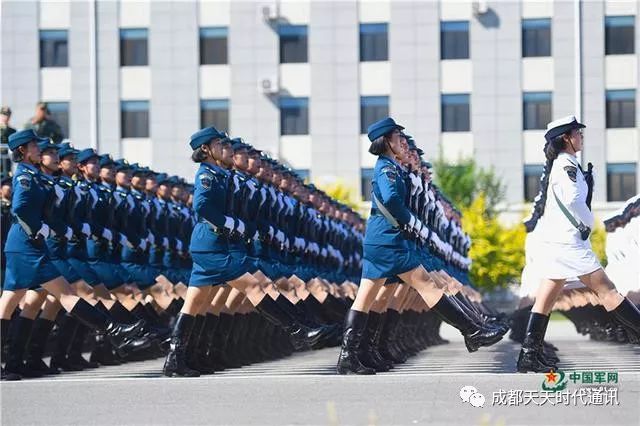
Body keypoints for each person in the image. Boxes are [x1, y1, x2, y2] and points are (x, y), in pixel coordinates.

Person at [336, 117, 504, 375]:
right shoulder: (386, 168)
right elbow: (391, 199)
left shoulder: (389, 166)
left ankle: (354, 355)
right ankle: (472, 330)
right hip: (388, 239)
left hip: (383, 238)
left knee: (367, 298)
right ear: (386, 141)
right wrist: (411, 221)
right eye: (397, 138)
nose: (401, 142)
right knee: (424, 284)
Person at [162, 127, 324, 377]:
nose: (226, 150)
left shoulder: (220, 175)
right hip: (212, 244)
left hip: (214, 244)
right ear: (206, 150)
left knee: (196, 303)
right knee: (254, 286)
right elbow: (201, 205)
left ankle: (176, 359)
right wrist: (231, 224)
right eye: (221, 145)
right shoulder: (206, 174)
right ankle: (298, 331)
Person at [0, 129, 152, 381]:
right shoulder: (25, 176)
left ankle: (16, 362)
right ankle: (115, 331)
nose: (39, 150)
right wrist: (45, 229)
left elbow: (49, 211)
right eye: (35, 147)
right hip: (26, 245)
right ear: (22, 152)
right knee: (64, 295)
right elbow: (21, 209)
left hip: (29, 244)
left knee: (11, 304)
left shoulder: (35, 175)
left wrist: (60, 229)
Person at [516, 116, 640, 373]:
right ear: (566, 139)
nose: (581, 137)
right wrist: (589, 223)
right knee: (608, 291)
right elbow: (573, 199)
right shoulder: (566, 165)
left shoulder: (562, 164)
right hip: (570, 244)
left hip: (559, 243)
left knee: (545, 300)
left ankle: (528, 355)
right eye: (578, 134)